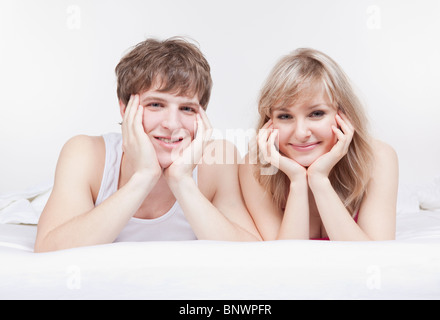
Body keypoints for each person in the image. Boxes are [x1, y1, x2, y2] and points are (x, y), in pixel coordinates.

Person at [34, 37, 261, 252]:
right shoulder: (85, 154)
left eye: (187, 109)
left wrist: (181, 180)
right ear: (125, 109)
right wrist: (143, 177)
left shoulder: (218, 158)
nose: (172, 124)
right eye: (155, 104)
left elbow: (251, 252)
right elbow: (49, 248)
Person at [239, 48, 398, 241]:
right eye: (285, 116)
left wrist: (319, 180)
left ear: (343, 114)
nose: (300, 133)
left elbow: (373, 258)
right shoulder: (256, 167)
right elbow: (285, 259)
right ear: (269, 122)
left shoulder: (379, 158)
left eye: (316, 114)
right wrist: (298, 181)